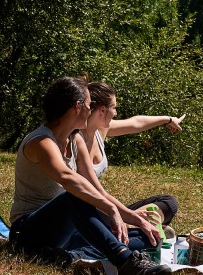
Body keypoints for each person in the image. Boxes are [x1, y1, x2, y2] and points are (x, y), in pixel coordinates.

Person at [8, 76, 172, 275]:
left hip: (64, 232)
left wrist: (136, 220)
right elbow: (68, 179)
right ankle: (126, 263)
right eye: (88, 105)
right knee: (74, 197)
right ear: (78, 107)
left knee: (145, 240)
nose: (90, 108)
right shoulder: (42, 141)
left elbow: (98, 191)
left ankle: (68, 256)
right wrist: (110, 210)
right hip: (27, 233)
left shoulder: (75, 138)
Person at [76, 81, 184, 236]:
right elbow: (97, 193)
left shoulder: (100, 130)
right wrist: (133, 217)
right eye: (114, 108)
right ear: (102, 110)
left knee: (169, 203)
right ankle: (133, 228)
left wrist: (168, 119)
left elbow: (136, 123)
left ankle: (132, 227)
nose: (116, 113)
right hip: (87, 210)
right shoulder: (76, 139)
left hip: (103, 207)